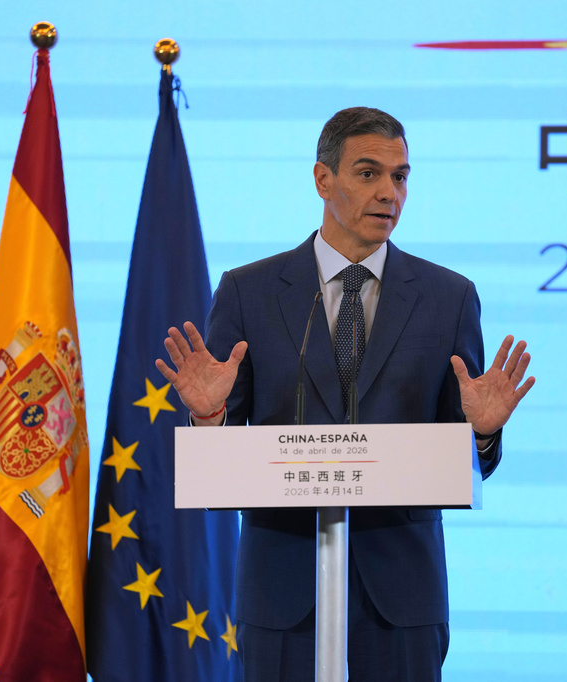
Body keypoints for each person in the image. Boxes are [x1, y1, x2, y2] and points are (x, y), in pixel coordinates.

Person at [156, 107, 534, 681]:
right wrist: (209, 418)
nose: (389, 192)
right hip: (282, 593)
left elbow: (463, 464)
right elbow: (222, 469)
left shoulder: (448, 297)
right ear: (322, 180)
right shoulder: (249, 292)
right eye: (368, 173)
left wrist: (480, 432)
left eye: (400, 177)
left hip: (401, 597)